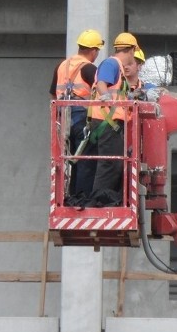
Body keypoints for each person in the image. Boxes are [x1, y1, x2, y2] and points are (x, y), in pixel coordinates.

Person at [50, 28, 104, 199]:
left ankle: (70, 196)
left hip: (63, 117)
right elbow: (102, 92)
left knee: (70, 159)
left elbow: (53, 93)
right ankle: (82, 198)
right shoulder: (89, 68)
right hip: (81, 116)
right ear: (94, 51)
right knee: (86, 158)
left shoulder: (61, 66)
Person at [85, 32, 138, 206]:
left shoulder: (116, 67)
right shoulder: (112, 63)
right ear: (130, 50)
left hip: (108, 123)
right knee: (110, 164)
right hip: (107, 122)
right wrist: (106, 97)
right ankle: (98, 203)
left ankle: (103, 201)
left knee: (113, 164)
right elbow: (102, 83)